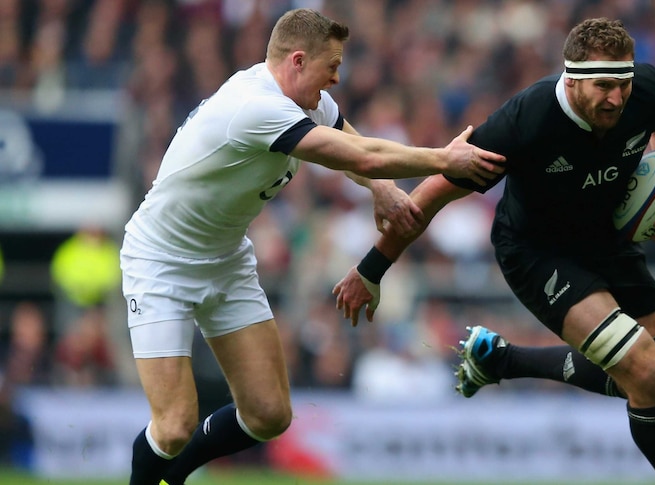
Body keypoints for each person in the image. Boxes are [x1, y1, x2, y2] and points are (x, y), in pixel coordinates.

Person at [121, 8, 505, 485]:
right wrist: (445, 159)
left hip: (225, 259)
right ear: (298, 61)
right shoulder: (255, 106)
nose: (338, 78)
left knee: (268, 415)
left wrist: (380, 190)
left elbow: (348, 137)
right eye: (332, 67)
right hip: (161, 262)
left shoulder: (307, 101)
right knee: (174, 425)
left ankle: (173, 473)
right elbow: (362, 154)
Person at [334, 17, 655, 485]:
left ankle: (502, 360)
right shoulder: (524, 122)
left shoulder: (647, 90)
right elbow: (431, 195)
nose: (616, 97)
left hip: (611, 241)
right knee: (646, 374)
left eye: (623, 85)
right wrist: (372, 268)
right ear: (571, 79)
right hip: (538, 253)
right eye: (604, 86)